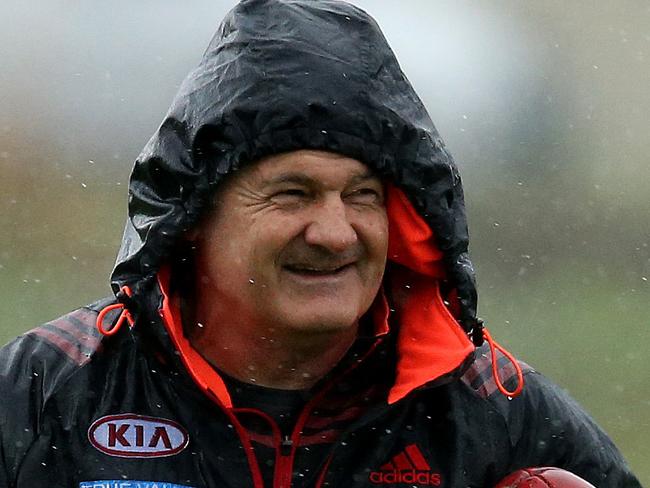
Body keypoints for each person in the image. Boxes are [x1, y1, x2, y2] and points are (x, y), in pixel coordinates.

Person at [0, 1, 641, 487]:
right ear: (192, 216)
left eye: (362, 195)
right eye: (291, 193)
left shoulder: (495, 415)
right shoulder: (43, 394)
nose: (334, 232)